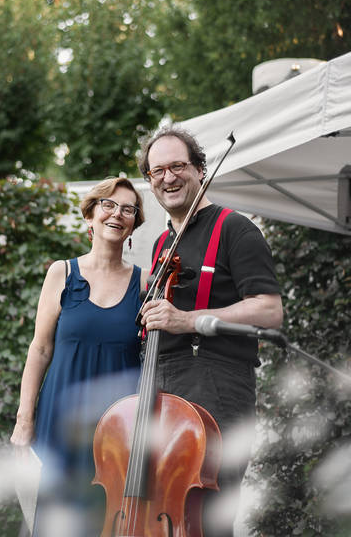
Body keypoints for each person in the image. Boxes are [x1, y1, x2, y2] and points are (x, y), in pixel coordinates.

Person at [137, 126, 283, 537]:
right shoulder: (163, 241)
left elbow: (269, 310)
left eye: (178, 166)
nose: (168, 178)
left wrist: (187, 320)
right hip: (164, 386)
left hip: (217, 382)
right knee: (162, 509)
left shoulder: (235, 228)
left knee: (209, 514)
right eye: (158, 170)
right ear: (150, 181)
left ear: (201, 169)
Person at [10, 177, 147, 537]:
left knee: (107, 522)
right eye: (109, 205)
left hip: (117, 430)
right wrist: (25, 421)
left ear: (134, 223)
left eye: (128, 209)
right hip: (61, 419)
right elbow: (39, 349)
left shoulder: (146, 284)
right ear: (90, 215)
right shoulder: (61, 273)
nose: (117, 214)